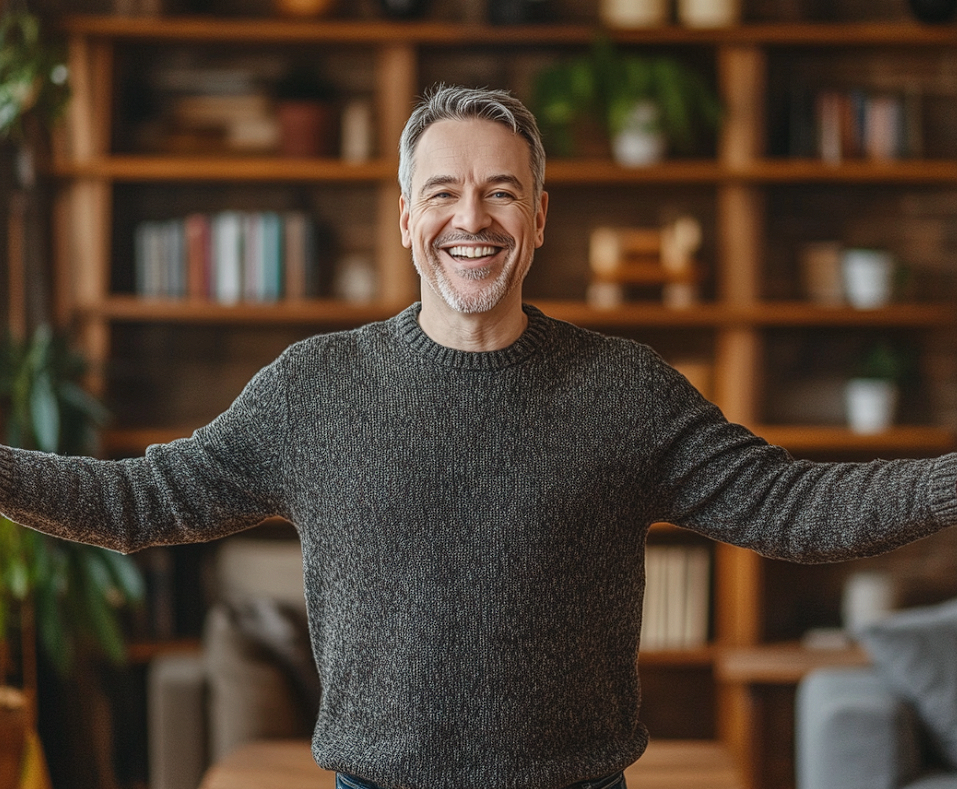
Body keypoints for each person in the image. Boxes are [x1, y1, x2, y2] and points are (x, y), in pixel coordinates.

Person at [2, 84, 956, 789]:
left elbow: (796, 509)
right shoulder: (313, 390)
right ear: (408, 219)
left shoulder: (624, 390)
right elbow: (138, 503)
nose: (473, 218)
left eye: (502, 193)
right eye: (445, 193)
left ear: (538, 221)